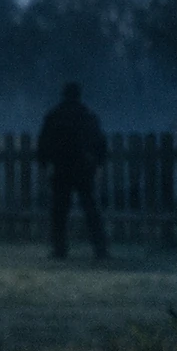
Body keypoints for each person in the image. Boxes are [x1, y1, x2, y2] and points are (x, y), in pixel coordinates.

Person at [36, 82, 109, 260]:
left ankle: (60, 249)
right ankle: (100, 249)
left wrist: (44, 164)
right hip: (83, 169)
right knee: (91, 209)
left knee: (59, 211)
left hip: (61, 168)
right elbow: (99, 142)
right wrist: (98, 162)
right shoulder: (87, 116)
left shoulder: (54, 116)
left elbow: (44, 143)